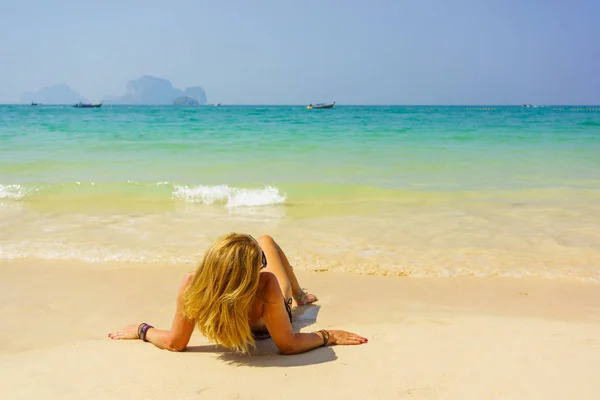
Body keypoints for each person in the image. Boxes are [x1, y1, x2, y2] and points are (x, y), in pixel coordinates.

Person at [109, 233, 367, 354]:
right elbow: (288, 344)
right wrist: (328, 335)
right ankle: (299, 296)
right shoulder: (266, 285)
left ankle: (299, 295)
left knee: (263, 240)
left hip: (256, 314)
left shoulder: (194, 285)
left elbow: (176, 342)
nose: (263, 265)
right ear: (249, 273)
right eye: (260, 262)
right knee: (266, 239)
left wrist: (143, 330)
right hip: (274, 321)